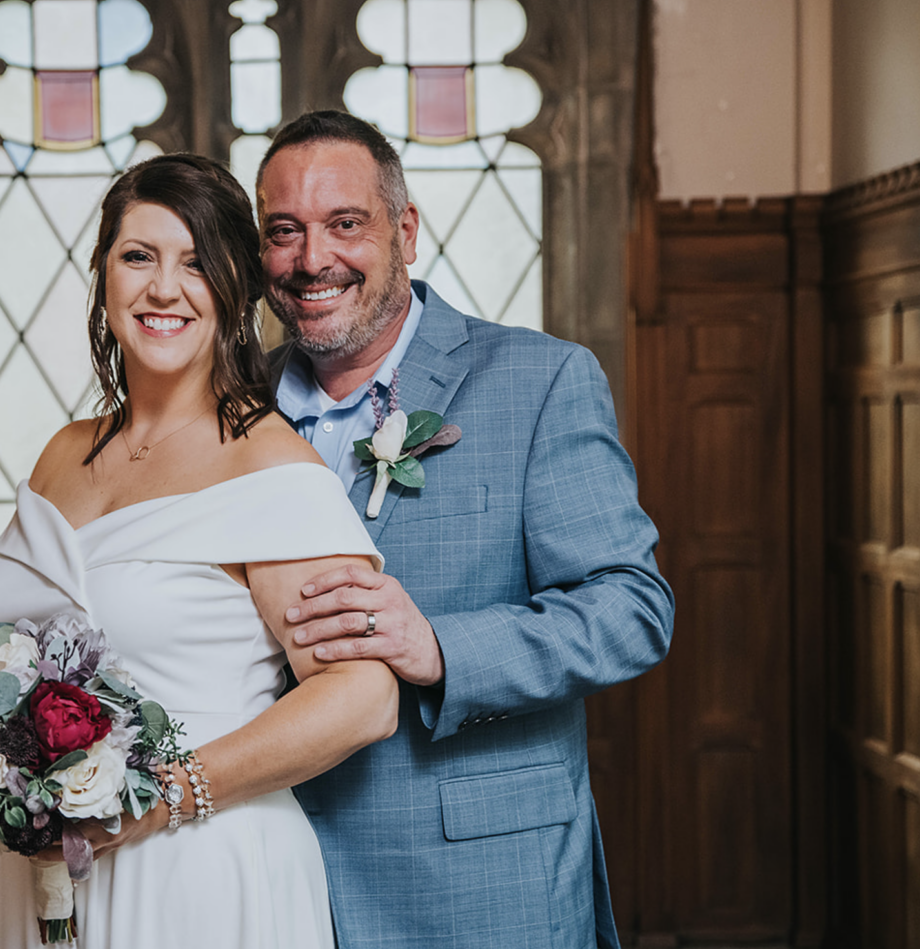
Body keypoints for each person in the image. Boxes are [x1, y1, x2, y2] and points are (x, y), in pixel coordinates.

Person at [259, 110, 675, 949]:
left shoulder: (541, 378)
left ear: (405, 231)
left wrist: (442, 648)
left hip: (480, 892)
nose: (313, 260)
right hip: (271, 877)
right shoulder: (232, 412)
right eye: (283, 233)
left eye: (346, 224)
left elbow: (633, 609)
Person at [0, 152, 399, 949]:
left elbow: (363, 696)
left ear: (234, 290)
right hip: (32, 868)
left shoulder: (266, 466)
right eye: (139, 256)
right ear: (104, 276)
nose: (164, 287)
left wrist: (159, 795)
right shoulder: (63, 454)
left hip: (196, 869)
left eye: (198, 263)